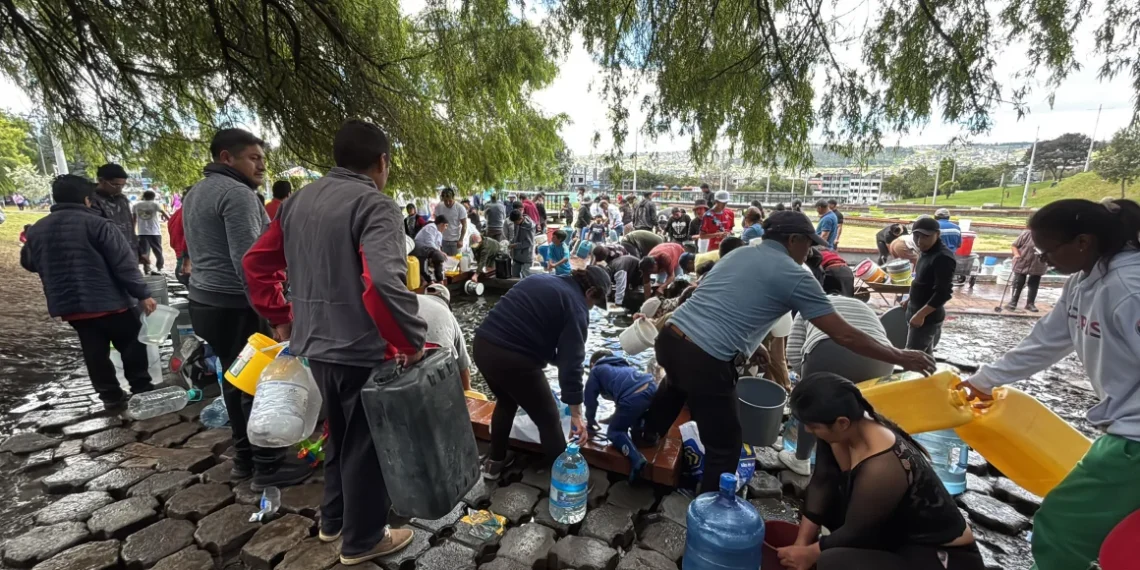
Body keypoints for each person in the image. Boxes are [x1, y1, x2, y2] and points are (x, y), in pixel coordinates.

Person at [639, 211, 935, 493]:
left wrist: (748, 348)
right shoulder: (796, 275)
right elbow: (842, 333)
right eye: (808, 243)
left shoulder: (740, 253)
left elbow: (722, 305)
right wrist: (900, 356)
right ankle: (712, 509)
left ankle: (645, 436)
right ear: (792, 239)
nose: (809, 251)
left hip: (670, 339)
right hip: (705, 359)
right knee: (726, 444)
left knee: (676, 383)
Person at [243, 120, 426, 564]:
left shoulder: (296, 201)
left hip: (315, 345)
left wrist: (281, 316)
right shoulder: (376, 205)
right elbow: (382, 282)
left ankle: (333, 520)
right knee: (365, 445)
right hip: (362, 348)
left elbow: (255, 263)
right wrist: (409, 339)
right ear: (382, 162)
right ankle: (363, 540)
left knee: (338, 435)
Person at [957, 199, 1140, 570]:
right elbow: (1045, 342)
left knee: (1060, 525)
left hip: (1133, 440)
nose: (1043, 259)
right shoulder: (1082, 281)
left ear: (1083, 242)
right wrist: (983, 381)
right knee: (1105, 530)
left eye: (1047, 250)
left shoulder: (1129, 288)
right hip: (1120, 430)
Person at [183, 128, 310, 491]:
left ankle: (243, 459)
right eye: (253, 158)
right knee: (259, 382)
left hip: (204, 301)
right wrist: (276, 314)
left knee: (233, 379)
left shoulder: (197, 191)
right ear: (227, 157)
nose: (262, 166)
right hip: (236, 304)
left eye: (262, 159)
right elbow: (250, 263)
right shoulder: (237, 195)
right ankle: (267, 467)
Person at [776, 373, 984, 570]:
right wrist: (800, 544)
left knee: (833, 561)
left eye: (812, 426)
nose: (807, 430)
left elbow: (856, 532)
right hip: (896, 535)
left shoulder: (883, 465)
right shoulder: (837, 431)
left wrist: (811, 554)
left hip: (941, 555)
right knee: (832, 511)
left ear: (842, 423)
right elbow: (822, 482)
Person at [21, 174, 158, 410]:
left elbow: (30, 263)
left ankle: (110, 396)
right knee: (132, 342)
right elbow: (124, 265)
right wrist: (143, 293)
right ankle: (141, 387)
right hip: (110, 302)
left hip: (71, 306)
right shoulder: (99, 225)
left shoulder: (38, 229)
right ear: (87, 200)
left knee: (94, 349)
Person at [474, 268, 612, 478]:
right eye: (593, 303)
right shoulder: (576, 306)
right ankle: (565, 480)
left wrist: (560, 361)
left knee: (507, 401)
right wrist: (576, 413)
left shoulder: (541, 279)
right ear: (590, 292)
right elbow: (572, 365)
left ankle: (495, 463)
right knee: (548, 419)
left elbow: (534, 334)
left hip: (483, 346)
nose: (590, 309)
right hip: (514, 359)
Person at [585, 350, 658, 481]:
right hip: (652, 387)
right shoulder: (621, 365)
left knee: (614, 432)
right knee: (634, 418)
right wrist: (611, 419)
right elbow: (622, 402)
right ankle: (644, 437)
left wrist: (590, 421)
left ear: (592, 363)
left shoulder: (596, 370)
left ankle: (636, 459)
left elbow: (590, 400)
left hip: (634, 397)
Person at [786, 296, 890, 373]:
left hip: (827, 351)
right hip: (882, 359)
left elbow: (793, 352)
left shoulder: (808, 306)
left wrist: (806, 375)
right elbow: (881, 334)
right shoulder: (863, 305)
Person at [904, 216, 956, 353]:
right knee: (925, 354)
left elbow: (943, 293)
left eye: (926, 237)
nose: (920, 241)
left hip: (928, 316)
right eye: (916, 236)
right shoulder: (926, 251)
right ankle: (930, 374)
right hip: (916, 308)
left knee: (912, 356)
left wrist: (921, 315)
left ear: (937, 234)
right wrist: (909, 300)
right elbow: (921, 281)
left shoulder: (943, 257)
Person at [419, 285, 472, 391]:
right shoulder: (447, 314)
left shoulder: (413, 299)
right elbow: (463, 364)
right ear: (447, 302)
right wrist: (467, 389)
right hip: (435, 360)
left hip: (402, 352)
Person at [91, 163, 137, 254]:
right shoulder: (90, 200)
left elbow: (130, 227)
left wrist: (138, 250)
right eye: (115, 185)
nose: (119, 189)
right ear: (101, 180)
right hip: (106, 254)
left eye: (122, 185)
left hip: (128, 252)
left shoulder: (122, 199)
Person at [1006, 229, 1048, 312]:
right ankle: (1013, 302)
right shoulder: (1027, 233)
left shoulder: (1050, 236)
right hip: (1022, 261)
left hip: (1038, 263)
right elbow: (1014, 245)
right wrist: (1017, 255)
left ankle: (1030, 304)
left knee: (1034, 283)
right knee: (1018, 282)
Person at [133, 190, 170, 275]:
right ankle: (160, 267)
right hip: (155, 231)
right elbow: (165, 214)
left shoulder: (136, 205)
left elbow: (134, 219)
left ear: (144, 197)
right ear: (153, 197)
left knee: (145, 251)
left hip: (142, 232)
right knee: (158, 250)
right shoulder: (155, 204)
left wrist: (132, 230)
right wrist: (171, 222)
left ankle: (147, 268)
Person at [413, 216, 450, 284]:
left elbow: (438, 246)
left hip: (428, 250)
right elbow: (429, 243)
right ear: (442, 224)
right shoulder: (431, 227)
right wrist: (440, 252)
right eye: (446, 226)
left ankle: (439, 279)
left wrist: (441, 253)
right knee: (438, 255)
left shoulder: (439, 233)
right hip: (420, 249)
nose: (446, 228)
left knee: (439, 256)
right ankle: (429, 280)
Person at [434, 188, 467, 255]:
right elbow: (436, 223)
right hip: (442, 240)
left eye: (450, 200)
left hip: (455, 241)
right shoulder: (439, 206)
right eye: (445, 201)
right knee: (444, 261)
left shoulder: (460, 208)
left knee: (456, 261)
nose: (448, 203)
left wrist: (461, 240)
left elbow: (464, 225)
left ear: (453, 198)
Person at [169, 187, 191, 285]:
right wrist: (187, 260)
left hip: (181, 260)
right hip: (188, 261)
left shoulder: (175, 215)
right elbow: (188, 239)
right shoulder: (190, 215)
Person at [508, 209, 536, 278]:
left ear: (521, 218)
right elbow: (516, 236)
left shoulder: (528, 227)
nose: (514, 223)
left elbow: (529, 243)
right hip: (517, 255)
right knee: (514, 276)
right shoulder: (517, 224)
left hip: (526, 256)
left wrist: (515, 245)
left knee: (526, 278)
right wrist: (511, 242)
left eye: (515, 222)